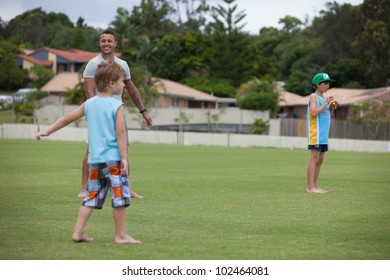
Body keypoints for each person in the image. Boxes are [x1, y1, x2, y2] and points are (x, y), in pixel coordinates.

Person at [36, 62, 141, 244]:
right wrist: (124, 157)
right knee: (119, 197)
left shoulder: (89, 103)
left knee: (91, 197)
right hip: (113, 159)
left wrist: (48, 131)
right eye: (121, 82)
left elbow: (68, 117)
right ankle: (121, 235)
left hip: (95, 160)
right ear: (110, 83)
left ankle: (78, 232)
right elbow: (121, 132)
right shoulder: (117, 106)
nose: (124, 85)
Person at [78, 29, 152, 199]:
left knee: (122, 150)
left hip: (118, 113)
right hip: (99, 115)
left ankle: (127, 188)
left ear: (115, 43)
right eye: (103, 41)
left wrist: (143, 111)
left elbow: (132, 90)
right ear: (99, 43)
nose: (106, 44)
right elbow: (89, 92)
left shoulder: (122, 65)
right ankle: (84, 187)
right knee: (91, 149)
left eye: (109, 41)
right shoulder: (92, 65)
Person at [306, 72, 337, 194]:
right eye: (325, 83)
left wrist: (332, 107)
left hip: (323, 134)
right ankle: (310, 187)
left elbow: (325, 114)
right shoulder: (313, 97)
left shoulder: (324, 99)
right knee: (314, 158)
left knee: (320, 160)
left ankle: (315, 185)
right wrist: (325, 103)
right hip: (316, 133)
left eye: (328, 83)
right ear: (317, 84)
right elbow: (313, 113)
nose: (327, 85)